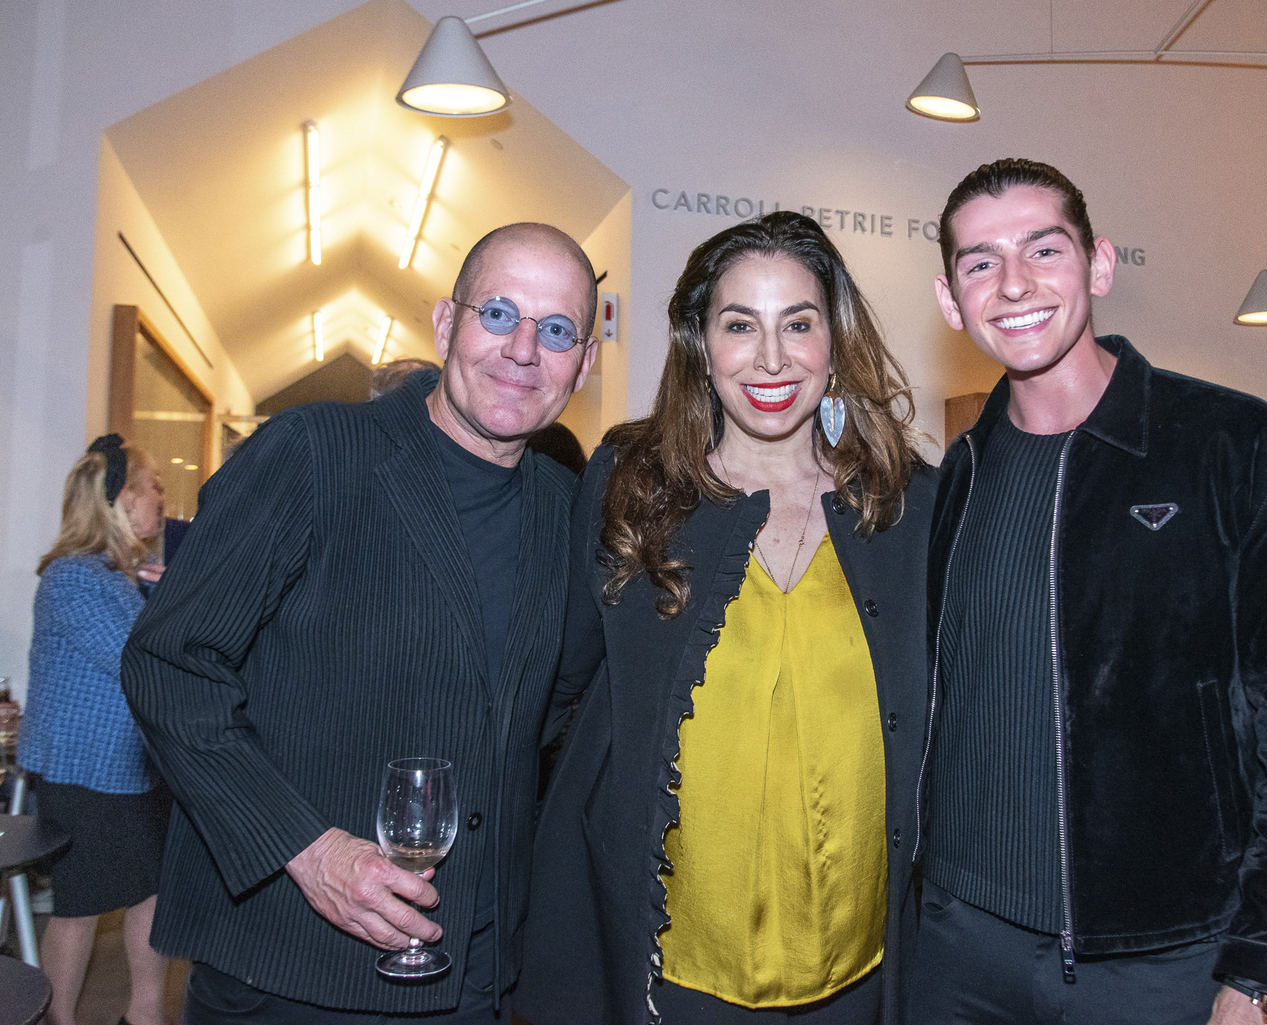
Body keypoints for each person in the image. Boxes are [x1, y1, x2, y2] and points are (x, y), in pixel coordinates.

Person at [906, 158, 1267, 1025]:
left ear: (1098, 265)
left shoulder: (1235, 448)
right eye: (981, 262)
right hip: (956, 949)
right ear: (950, 298)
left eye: (1043, 250)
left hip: (1166, 960)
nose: (1013, 284)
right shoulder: (956, 481)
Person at [121, 222, 599, 1023]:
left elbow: (541, 707)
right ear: (446, 325)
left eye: (556, 330)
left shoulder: (566, 510)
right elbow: (170, 662)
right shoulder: (314, 455)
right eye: (498, 313)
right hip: (292, 964)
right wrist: (310, 850)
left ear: (582, 363)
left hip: (473, 973)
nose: (523, 349)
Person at [514, 211, 933, 1025]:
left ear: (834, 341)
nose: (771, 357)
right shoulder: (628, 490)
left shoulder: (908, 505)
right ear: (700, 345)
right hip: (672, 975)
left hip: (863, 975)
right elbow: (556, 698)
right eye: (739, 324)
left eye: (798, 324)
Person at [19, 433, 170, 1025]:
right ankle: (54, 1018)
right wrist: (176, 600)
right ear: (120, 500)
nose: (162, 495)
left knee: (152, 892)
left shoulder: (125, 576)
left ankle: (147, 1013)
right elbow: (137, 659)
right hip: (85, 776)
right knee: (81, 908)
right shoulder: (74, 577)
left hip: (135, 769)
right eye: (151, 486)